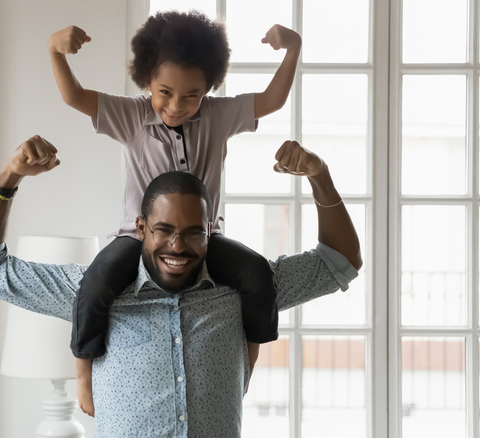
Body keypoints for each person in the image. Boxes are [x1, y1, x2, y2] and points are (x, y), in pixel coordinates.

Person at [0, 135, 362, 437]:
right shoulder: (93, 290)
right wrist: (9, 178)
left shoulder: (243, 289)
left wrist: (319, 175)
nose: (177, 246)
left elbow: (340, 262)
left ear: (211, 231)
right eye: (163, 230)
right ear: (140, 228)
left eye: (192, 233)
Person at [47, 10, 303, 414]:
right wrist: (55, 52)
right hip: (139, 239)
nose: (176, 106)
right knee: (95, 283)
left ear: (208, 89)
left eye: (191, 95)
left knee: (257, 274)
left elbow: (272, 100)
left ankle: (246, 368)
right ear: (147, 80)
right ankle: (82, 375)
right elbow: (74, 97)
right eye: (164, 92)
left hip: (205, 239)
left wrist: (293, 51)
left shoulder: (219, 117)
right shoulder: (131, 117)